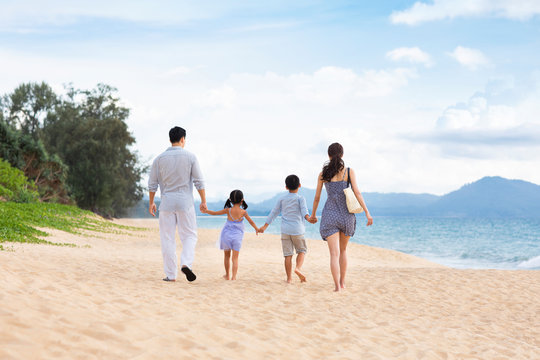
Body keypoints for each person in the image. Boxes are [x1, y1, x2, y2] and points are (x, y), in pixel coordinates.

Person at [310, 143, 373, 292]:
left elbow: (317, 197)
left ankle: (337, 287)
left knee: (334, 253)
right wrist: (367, 212)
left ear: (328, 155)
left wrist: (313, 214)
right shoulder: (349, 172)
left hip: (330, 214)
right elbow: (357, 192)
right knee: (343, 251)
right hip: (346, 215)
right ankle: (343, 282)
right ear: (342, 155)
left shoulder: (323, 174)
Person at [148, 126, 207, 282]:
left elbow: (152, 184)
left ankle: (170, 275)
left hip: (166, 203)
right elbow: (199, 182)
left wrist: (151, 202)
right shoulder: (191, 157)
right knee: (190, 236)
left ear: (170, 139)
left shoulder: (159, 159)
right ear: (183, 139)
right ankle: (186, 263)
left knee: (167, 238)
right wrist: (203, 201)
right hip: (185, 203)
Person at [259, 175, 316, 283]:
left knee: (288, 255)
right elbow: (304, 211)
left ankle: (289, 279)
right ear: (299, 185)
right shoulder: (300, 198)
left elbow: (274, 213)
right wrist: (309, 219)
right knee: (302, 251)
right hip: (298, 230)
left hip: (285, 231)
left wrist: (265, 226)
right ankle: (298, 268)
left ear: (286, 187)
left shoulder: (282, 199)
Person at [202, 190, 259, 280]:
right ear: (242, 200)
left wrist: (206, 211)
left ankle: (227, 275)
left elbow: (215, 213)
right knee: (235, 258)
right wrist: (257, 229)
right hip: (237, 237)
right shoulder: (243, 212)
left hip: (226, 236)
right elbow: (251, 222)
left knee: (227, 256)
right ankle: (234, 277)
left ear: (230, 200)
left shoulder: (228, 210)